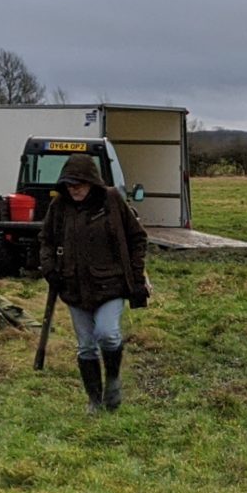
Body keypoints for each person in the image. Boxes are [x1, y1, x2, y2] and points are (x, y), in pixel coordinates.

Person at [39, 153, 151, 413]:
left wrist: (135, 275)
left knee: (107, 334)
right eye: (69, 184)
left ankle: (112, 379)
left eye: (79, 183)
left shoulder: (112, 200)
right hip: (73, 287)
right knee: (86, 346)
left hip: (111, 285)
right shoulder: (59, 207)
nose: (74, 189)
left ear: (91, 182)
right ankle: (94, 400)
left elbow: (137, 238)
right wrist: (49, 269)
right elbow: (46, 239)